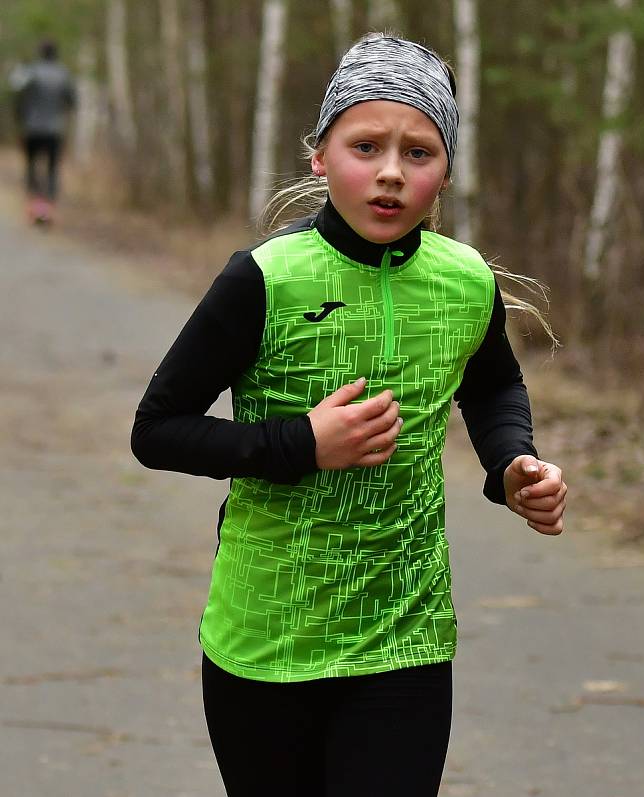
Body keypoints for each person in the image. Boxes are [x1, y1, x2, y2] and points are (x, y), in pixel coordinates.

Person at [131, 32, 567, 797]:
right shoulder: (263, 279)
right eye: (366, 145)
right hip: (265, 641)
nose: (392, 172)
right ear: (321, 156)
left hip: (407, 636)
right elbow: (157, 429)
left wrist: (512, 465)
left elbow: (493, 385)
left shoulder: (466, 281)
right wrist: (299, 442)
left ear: (447, 172)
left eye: (420, 153)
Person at [11, 40, 76, 222]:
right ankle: (48, 209)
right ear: (56, 54)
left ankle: (34, 206)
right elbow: (72, 101)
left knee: (31, 165)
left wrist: (20, 120)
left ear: (40, 53)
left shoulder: (30, 71)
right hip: (55, 129)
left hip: (32, 128)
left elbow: (18, 97)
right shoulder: (64, 74)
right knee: (52, 168)